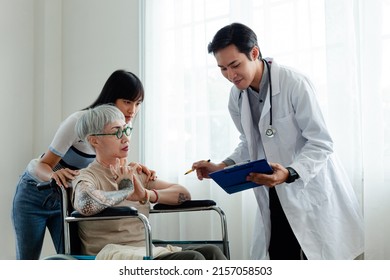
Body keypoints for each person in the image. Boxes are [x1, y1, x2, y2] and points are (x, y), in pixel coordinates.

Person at [191, 23, 364, 260]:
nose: (230, 76)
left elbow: (321, 142)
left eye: (235, 65)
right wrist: (222, 166)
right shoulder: (236, 96)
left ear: (254, 53)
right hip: (274, 191)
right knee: (281, 257)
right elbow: (250, 142)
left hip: (308, 186)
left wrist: (291, 172)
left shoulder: (294, 84)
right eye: (222, 69)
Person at [12, 70, 156, 260]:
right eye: (127, 102)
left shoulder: (122, 127)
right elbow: (43, 164)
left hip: (69, 198)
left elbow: (113, 166)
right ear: (112, 99)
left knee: (71, 258)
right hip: (35, 192)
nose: (133, 111)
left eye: (138, 104)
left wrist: (135, 168)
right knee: (27, 262)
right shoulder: (78, 122)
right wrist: (54, 175)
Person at [72, 104, 226, 260]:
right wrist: (125, 190)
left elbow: (183, 194)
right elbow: (86, 203)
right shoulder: (87, 176)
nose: (126, 138)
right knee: (192, 259)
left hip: (144, 250)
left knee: (211, 252)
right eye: (117, 132)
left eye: (126, 130)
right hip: (111, 255)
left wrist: (146, 194)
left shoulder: (136, 172)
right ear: (94, 140)